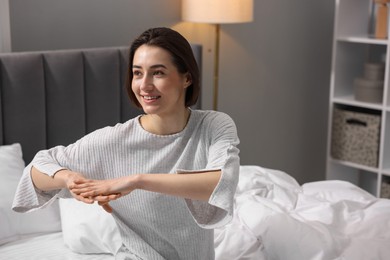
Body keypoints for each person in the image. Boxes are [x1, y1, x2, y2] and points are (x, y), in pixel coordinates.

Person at [12, 27, 240, 260]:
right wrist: (69, 179)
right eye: (137, 73)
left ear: (187, 78)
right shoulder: (113, 141)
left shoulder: (213, 125)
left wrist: (136, 181)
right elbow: (36, 169)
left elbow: (220, 182)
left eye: (158, 73)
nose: (144, 85)